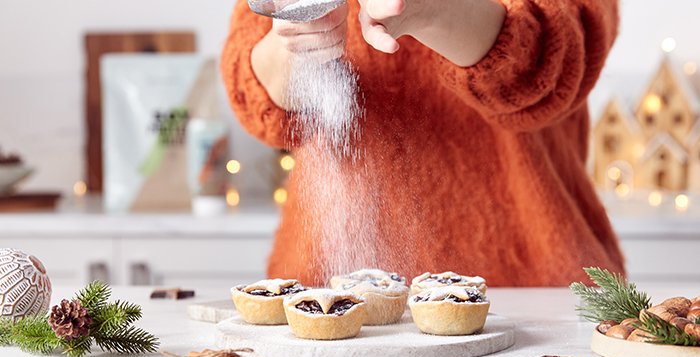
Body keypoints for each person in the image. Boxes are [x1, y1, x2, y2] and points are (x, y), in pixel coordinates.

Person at [221, 0, 625, 286]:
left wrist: (434, 10)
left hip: (534, 295)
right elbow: (255, 97)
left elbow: (552, 65)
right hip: (327, 291)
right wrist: (299, 36)